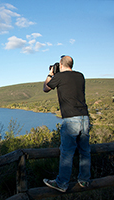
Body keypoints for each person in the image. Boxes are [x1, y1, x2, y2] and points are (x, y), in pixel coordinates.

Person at [42, 55, 91, 192]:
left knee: (67, 152)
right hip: (85, 118)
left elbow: (46, 88)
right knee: (85, 151)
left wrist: (50, 74)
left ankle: (62, 183)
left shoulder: (59, 77)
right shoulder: (80, 76)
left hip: (71, 119)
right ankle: (84, 180)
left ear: (61, 65)